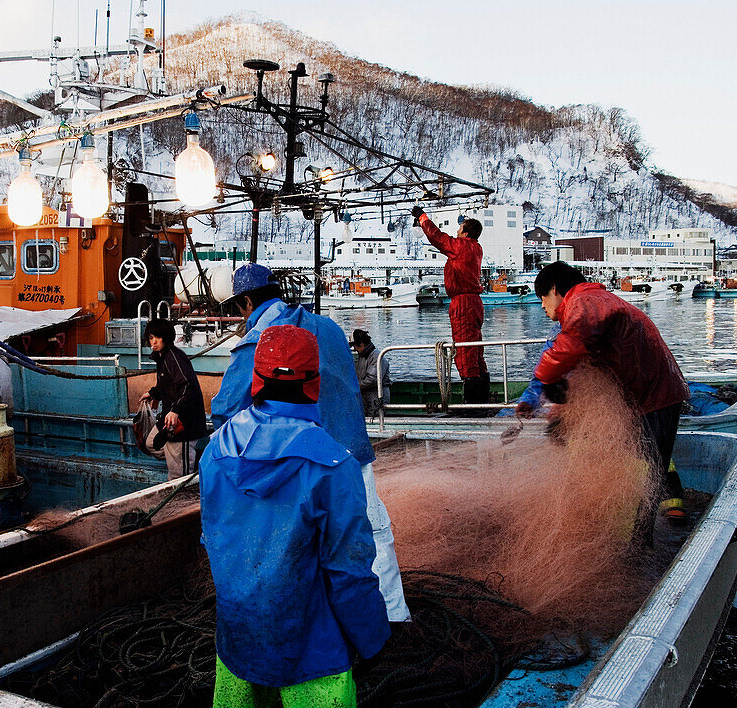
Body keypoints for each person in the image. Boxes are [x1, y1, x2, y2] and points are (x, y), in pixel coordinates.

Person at [201, 324, 390, 707]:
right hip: (312, 656)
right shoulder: (333, 465)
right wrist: (374, 640)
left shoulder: (216, 450)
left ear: (255, 378)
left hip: (237, 644)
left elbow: (214, 542)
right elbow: (350, 571)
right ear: (315, 383)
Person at [211, 263, 410, 623]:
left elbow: (226, 411)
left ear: (245, 303)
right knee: (371, 536)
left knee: (302, 546)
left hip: (300, 464)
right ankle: (393, 619)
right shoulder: (330, 327)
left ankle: (320, 624)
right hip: (352, 454)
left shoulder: (259, 340)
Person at [532, 261, 689, 525]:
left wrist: (545, 376)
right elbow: (584, 373)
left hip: (652, 396)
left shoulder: (584, 302)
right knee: (644, 469)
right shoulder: (596, 301)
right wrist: (559, 416)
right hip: (649, 395)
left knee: (641, 475)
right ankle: (636, 538)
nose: (542, 306)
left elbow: (570, 348)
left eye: (542, 298)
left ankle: (634, 547)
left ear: (555, 289)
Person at [410, 207, 490, 406]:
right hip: (474, 303)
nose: (457, 231)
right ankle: (483, 398)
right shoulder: (476, 248)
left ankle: (471, 404)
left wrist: (423, 218)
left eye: (460, 228)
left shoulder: (462, 247)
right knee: (475, 350)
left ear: (466, 232)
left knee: (464, 352)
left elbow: (438, 237)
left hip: (463, 303)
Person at [139, 317, 207, 479]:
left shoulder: (174, 357)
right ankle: (184, 459)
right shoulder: (162, 357)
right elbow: (168, 383)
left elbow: (188, 386)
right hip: (169, 419)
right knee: (151, 444)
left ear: (167, 338)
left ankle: (185, 462)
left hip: (183, 424)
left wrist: (176, 410)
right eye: (150, 338)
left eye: (157, 337)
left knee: (177, 477)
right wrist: (153, 393)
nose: (153, 342)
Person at [496, 321, 561, 418]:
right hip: (559, 394)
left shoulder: (565, 332)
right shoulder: (561, 329)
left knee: (504, 416)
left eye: (544, 303)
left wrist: (529, 400)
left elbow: (545, 373)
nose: (543, 305)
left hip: (564, 397)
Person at [350, 329, 390, 418]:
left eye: (355, 346)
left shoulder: (377, 357)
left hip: (376, 395)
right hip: (365, 395)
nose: (355, 349)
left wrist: (354, 386)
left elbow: (372, 380)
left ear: (362, 344)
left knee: (375, 418)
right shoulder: (363, 357)